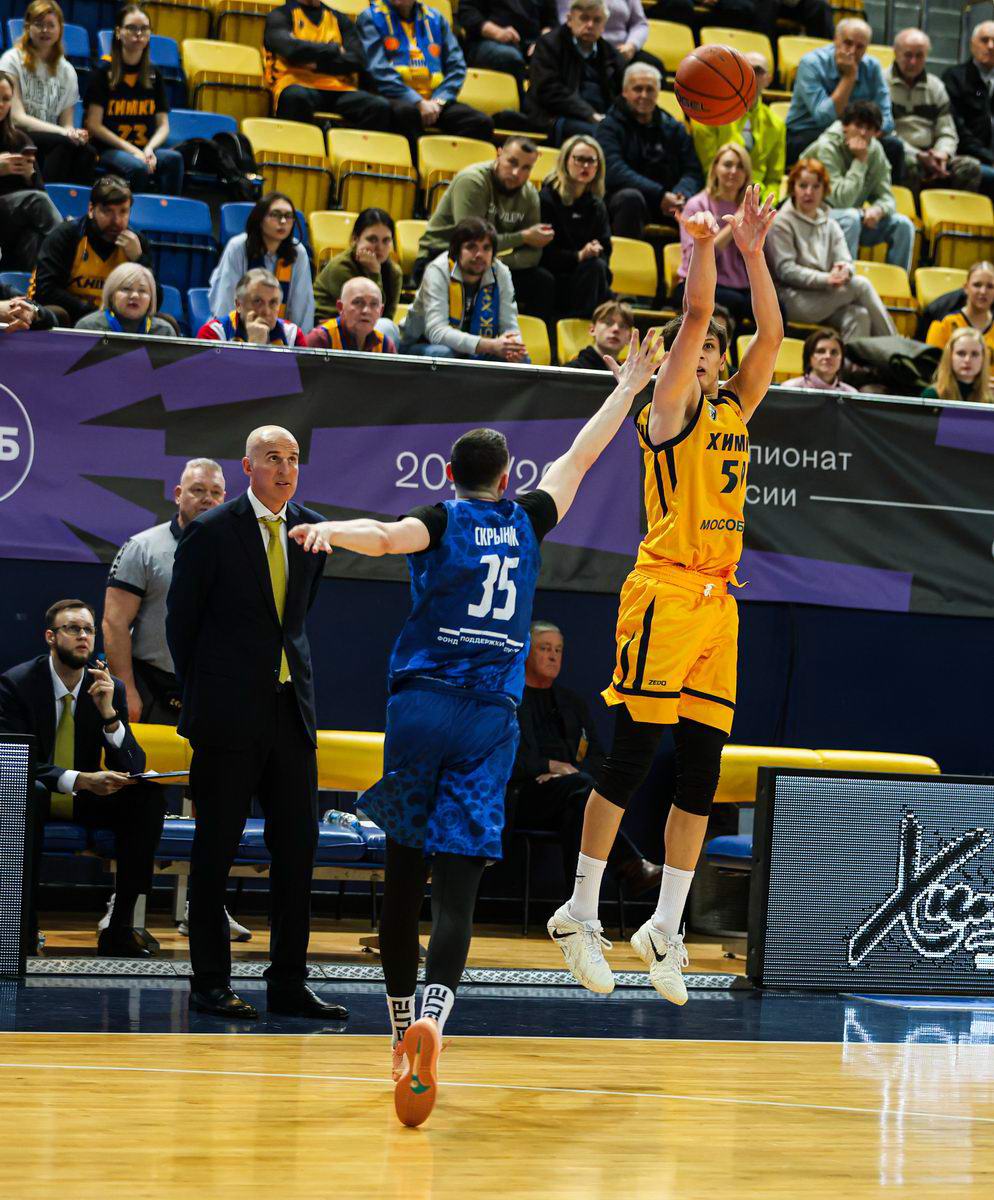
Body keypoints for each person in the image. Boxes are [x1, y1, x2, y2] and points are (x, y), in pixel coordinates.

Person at [287, 328, 662, 1127]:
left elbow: (384, 538)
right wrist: (627, 389)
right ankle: (435, 1017)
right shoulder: (527, 519)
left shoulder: (440, 517)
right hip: (492, 719)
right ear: (508, 478)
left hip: (422, 708)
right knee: (456, 894)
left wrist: (328, 532)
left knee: (402, 882)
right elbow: (582, 458)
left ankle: (400, 1033)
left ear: (450, 476)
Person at [547, 186, 783, 1005]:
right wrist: (705, 248)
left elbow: (773, 336)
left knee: (701, 774)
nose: (709, 353)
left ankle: (664, 927)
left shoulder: (736, 408)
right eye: (702, 347)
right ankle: (579, 911)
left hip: (719, 602)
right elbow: (696, 313)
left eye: (718, 349)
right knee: (631, 757)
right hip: (663, 591)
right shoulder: (668, 410)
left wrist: (754, 252)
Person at [165, 425, 349, 1021]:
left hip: (290, 711)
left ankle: (289, 982)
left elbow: (294, 622)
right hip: (226, 716)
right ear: (247, 467)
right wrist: (204, 697)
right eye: (273, 458)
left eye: (293, 459)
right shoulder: (212, 531)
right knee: (214, 851)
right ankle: (209, 982)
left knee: (297, 851)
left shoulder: (312, 530)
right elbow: (181, 625)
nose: (286, 469)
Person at [99, 458, 251, 945]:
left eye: (216, 492)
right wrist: (126, 689)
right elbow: (114, 622)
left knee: (216, 799)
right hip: (150, 684)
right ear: (177, 493)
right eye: (198, 490)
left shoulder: (237, 548)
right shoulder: (144, 547)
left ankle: (204, 905)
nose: (207, 499)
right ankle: (124, 905)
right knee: (138, 796)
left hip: (212, 687)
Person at [0, 599, 166, 957]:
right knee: (30, 791)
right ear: (50, 636)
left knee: (147, 796)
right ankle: (22, 927)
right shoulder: (17, 684)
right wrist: (80, 779)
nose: (83, 636)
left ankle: (120, 929)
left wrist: (110, 716)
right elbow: (16, 761)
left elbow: (134, 764)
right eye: (73, 628)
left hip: (86, 799)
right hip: (35, 796)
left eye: (88, 630)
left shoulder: (108, 687)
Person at [509, 621, 662, 894]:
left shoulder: (571, 703)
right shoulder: (511, 700)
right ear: (526, 652)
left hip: (572, 794)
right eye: (545, 648)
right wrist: (549, 766)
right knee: (585, 794)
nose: (553, 656)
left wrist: (569, 773)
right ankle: (629, 865)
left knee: (579, 804)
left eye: (558, 650)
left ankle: (578, 904)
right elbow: (504, 758)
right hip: (526, 795)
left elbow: (598, 757)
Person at [415, 137, 555, 324]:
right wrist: (522, 237)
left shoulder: (529, 194)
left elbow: (533, 252)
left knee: (542, 282)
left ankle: (523, 337)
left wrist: (498, 263)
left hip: (487, 262)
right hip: (444, 255)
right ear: (499, 154)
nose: (516, 173)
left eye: (526, 168)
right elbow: (471, 240)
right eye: (512, 162)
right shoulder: (472, 181)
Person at [764, 158, 896, 339]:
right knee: (861, 285)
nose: (809, 192)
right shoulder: (781, 222)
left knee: (859, 316)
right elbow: (786, 270)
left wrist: (844, 270)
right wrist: (827, 279)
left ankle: (856, 359)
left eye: (816, 186)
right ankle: (894, 345)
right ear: (793, 188)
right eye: (803, 186)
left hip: (826, 295)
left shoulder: (831, 224)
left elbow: (846, 260)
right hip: (792, 299)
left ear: (824, 190)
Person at [357, 0, 494, 151]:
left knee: (480, 122)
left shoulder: (436, 19)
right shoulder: (371, 17)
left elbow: (457, 67)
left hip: (434, 100)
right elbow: (377, 70)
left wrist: (439, 101)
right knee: (406, 113)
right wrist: (417, 101)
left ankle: (444, 162)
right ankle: (419, 163)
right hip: (394, 96)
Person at [802, 100, 915, 275]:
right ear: (845, 126)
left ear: (876, 133)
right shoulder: (827, 146)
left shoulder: (875, 150)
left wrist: (878, 210)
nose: (863, 133)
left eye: (869, 128)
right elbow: (841, 201)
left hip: (848, 220)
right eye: (858, 125)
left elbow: (887, 197)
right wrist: (860, 161)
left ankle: (897, 283)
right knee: (851, 218)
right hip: (813, 217)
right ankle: (846, 281)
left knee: (903, 224)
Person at [786, 19, 904, 183]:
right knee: (823, 143)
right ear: (836, 40)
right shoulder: (811, 63)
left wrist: (864, 134)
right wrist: (849, 77)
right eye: (847, 43)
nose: (852, 51)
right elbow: (824, 117)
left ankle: (884, 197)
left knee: (894, 147)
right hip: (808, 131)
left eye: (860, 47)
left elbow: (887, 121)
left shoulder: (873, 67)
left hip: (856, 134)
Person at [595, 63, 703, 240]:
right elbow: (614, 170)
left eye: (650, 90)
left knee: (699, 205)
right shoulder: (608, 127)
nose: (644, 95)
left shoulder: (674, 128)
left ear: (658, 92)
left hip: (670, 202)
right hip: (626, 201)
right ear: (625, 92)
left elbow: (693, 171)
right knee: (630, 198)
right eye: (638, 89)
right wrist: (659, 194)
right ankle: (629, 257)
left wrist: (681, 194)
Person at [84, 5, 184, 195]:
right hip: (109, 150)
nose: (138, 34)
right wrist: (134, 151)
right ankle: (133, 213)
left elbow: (163, 126)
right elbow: (94, 125)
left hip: (144, 148)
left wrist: (149, 149)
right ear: (118, 32)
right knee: (137, 168)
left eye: (144, 29)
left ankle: (166, 211)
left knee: (174, 159)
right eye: (131, 28)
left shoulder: (154, 74)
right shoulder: (102, 73)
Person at [28, 175, 153, 325]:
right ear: (91, 209)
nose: (116, 221)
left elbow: (154, 299)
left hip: (118, 321)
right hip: (72, 316)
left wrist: (139, 259)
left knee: (166, 322)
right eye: (108, 211)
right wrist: (95, 313)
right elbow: (45, 291)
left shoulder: (136, 243)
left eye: (123, 212)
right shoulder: (66, 236)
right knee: (56, 313)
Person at [402, 217, 527, 360]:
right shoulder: (438, 270)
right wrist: (490, 345)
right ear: (457, 250)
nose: (479, 255)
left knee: (520, 358)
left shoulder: (500, 272)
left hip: (477, 347)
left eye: (486, 248)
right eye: (471, 247)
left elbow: (510, 326)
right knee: (443, 354)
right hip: (423, 344)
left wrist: (513, 346)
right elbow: (436, 333)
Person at [0, 0, 96, 184]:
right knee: (62, 143)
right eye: (39, 24)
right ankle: (48, 195)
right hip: (16, 133)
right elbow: (17, 118)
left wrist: (74, 133)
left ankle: (75, 200)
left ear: (60, 29)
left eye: (51, 25)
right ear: (27, 27)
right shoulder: (11, 60)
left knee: (87, 151)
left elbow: (67, 123)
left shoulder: (67, 71)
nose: (45, 30)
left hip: (52, 135)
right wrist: (64, 133)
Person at [263, 0, 391, 130]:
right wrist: (334, 49)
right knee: (295, 97)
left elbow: (358, 59)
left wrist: (316, 65)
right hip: (295, 83)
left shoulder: (340, 19)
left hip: (338, 87)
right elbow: (291, 50)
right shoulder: (280, 15)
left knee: (379, 107)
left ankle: (345, 142)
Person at [889, 29, 984, 197]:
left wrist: (942, 154)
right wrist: (918, 155)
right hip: (902, 153)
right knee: (909, 163)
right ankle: (912, 213)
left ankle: (955, 213)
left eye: (919, 56)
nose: (913, 62)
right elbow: (885, 132)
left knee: (970, 167)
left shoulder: (936, 87)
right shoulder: (882, 83)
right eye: (908, 55)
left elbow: (947, 131)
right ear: (895, 52)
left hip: (933, 152)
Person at [208, 192, 314, 333]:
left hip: (279, 335)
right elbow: (225, 302)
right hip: (238, 333)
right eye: (275, 215)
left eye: (288, 216)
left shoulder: (298, 252)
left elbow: (302, 307)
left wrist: (297, 341)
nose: (283, 221)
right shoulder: (238, 247)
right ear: (260, 218)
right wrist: (231, 339)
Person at [675, 143, 754, 331]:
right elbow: (694, 258)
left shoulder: (750, 209)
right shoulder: (697, 205)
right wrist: (736, 221)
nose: (733, 171)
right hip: (700, 283)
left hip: (741, 286)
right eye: (728, 165)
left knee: (778, 308)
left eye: (740, 167)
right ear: (715, 168)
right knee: (734, 302)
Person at [526, 0, 625, 144]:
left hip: (601, 118)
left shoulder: (611, 54)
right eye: (584, 18)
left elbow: (623, 95)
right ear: (569, 20)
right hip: (556, 116)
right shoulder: (548, 45)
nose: (590, 25)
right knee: (602, 136)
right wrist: (589, 114)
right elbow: (548, 90)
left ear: (604, 25)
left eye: (597, 20)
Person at [691, 53, 785, 197]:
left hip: (757, 197)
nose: (751, 75)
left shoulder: (777, 124)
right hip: (717, 192)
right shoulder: (710, 114)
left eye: (758, 70)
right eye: (745, 69)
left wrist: (766, 203)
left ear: (768, 79)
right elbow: (709, 168)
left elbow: (774, 179)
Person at [539, 134, 613, 318]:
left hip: (588, 276)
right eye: (579, 159)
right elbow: (544, 253)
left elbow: (606, 249)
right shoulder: (546, 199)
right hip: (554, 275)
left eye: (591, 161)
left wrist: (596, 250)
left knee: (597, 268)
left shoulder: (597, 205)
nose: (585, 166)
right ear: (565, 161)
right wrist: (578, 256)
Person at [0, 70, 61, 271]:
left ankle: (33, 285)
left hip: (10, 220)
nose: (1, 104)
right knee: (36, 201)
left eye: (6, 99)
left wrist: (30, 176)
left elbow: (41, 191)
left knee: (33, 237)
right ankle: (68, 252)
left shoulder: (19, 140)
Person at [314, 208, 402, 331]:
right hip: (329, 330)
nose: (380, 247)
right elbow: (364, 312)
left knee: (388, 327)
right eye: (372, 239)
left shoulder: (394, 273)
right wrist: (374, 273)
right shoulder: (340, 267)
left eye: (386, 241)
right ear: (355, 239)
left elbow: (386, 317)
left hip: (365, 329)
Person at [943, 22, 994, 200]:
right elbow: (958, 128)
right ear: (972, 44)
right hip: (969, 156)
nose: (991, 46)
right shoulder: (955, 77)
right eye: (984, 40)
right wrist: (990, 157)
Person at [460, 0, 558, 90]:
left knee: (553, 56)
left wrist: (542, 43)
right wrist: (496, 32)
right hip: (486, 41)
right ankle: (524, 103)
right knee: (510, 57)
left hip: (531, 45)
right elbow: (467, 11)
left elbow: (550, 22)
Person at [197, 268, 309, 346]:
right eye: (258, 301)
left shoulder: (292, 335)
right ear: (238, 305)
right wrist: (254, 346)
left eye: (273, 302)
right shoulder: (213, 334)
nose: (266, 311)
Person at [553, 0, 665, 77]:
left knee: (654, 65)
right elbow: (564, 19)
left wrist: (632, 45)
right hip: (584, 47)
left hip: (623, 50)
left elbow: (639, 24)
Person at [75, 262, 175, 336]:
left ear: (151, 299)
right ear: (111, 295)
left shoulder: (164, 331)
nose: (135, 295)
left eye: (142, 290)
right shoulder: (88, 327)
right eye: (126, 289)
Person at [306, 275, 399, 351]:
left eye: (374, 304)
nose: (366, 311)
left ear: (381, 311)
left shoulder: (385, 346)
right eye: (358, 302)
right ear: (340, 307)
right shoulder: (320, 339)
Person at [925, 260, 994, 352]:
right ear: (966, 287)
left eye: (990, 286)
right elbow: (932, 360)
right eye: (977, 285)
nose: (983, 291)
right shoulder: (944, 324)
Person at [921, 326, 993, 404]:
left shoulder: (990, 398)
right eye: (961, 353)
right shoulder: (932, 396)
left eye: (974, 354)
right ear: (950, 356)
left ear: (983, 358)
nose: (967, 360)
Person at [782, 327, 858, 392]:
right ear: (809, 357)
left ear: (841, 359)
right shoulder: (789, 389)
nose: (828, 356)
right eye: (821, 351)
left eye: (834, 352)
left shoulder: (851, 394)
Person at [563, 297, 633, 368]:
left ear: (629, 337)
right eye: (608, 323)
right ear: (592, 330)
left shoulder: (628, 372)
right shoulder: (572, 369)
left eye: (623, 326)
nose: (616, 329)